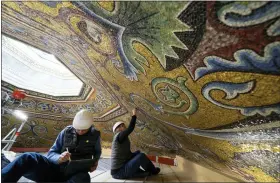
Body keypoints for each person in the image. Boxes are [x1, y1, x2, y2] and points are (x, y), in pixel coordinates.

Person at [1, 109, 101, 183]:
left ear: (90, 126)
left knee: (83, 179)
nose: (80, 132)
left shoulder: (96, 135)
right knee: (27, 158)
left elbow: (97, 154)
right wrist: (59, 158)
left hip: (76, 174)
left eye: (83, 130)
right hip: (54, 169)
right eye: (77, 129)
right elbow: (51, 153)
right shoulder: (66, 132)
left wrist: (94, 163)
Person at [111, 108, 160, 179]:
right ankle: (153, 171)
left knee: (138, 154)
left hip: (123, 166)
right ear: (117, 129)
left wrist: (136, 153)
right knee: (141, 156)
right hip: (118, 172)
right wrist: (134, 114)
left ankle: (145, 172)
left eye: (123, 125)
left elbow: (127, 155)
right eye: (121, 125)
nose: (124, 126)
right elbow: (131, 128)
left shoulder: (122, 139)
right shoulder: (119, 136)